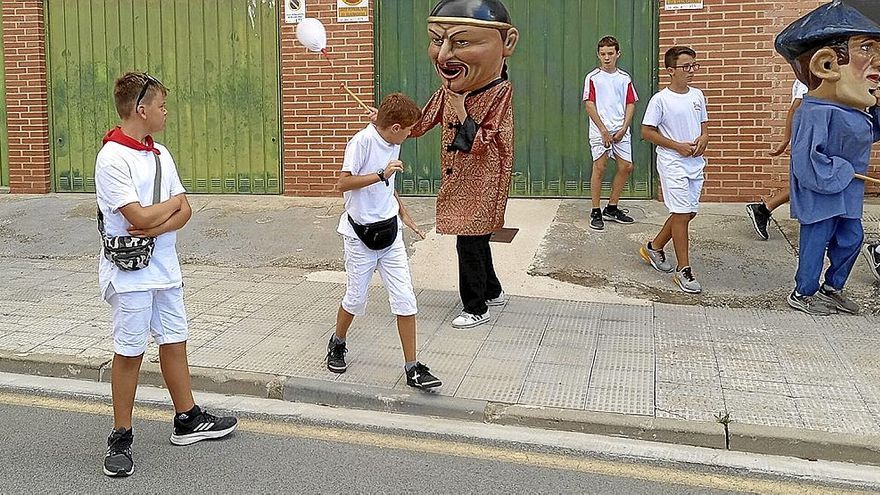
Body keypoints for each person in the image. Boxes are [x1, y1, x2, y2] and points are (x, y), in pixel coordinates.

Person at [95, 72, 236, 478]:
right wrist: (168, 210)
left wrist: (160, 223)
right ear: (141, 109)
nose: (165, 112)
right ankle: (121, 435)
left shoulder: (161, 154)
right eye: (160, 105)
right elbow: (133, 215)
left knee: (175, 340)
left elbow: (185, 210)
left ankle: (187, 418)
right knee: (130, 351)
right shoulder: (112, 158)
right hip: (131, 274)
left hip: (164, 268)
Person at [409, 0, 519, 329]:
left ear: (507, 43)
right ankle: (492, 290)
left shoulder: (499, 92)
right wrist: (389, 122)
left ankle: (475, 306)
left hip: (484, 181)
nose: (443, 56)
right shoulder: (449, 92)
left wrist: (458, 105)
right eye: (437, 40)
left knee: (469, 241)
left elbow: (481, 140)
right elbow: (419, 123)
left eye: (461, 42)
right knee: (477, 238)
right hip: (457, 180)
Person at [327, 92, 442, 389]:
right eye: (407, 130)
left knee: (405, 299)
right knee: (355, 299)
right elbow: (342, 183)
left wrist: (404, 213)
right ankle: (338, 342)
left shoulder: (391, 140)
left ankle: (412, 368)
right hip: (359, 235)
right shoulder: (361, 142)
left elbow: (388, 186)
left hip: (391, 234)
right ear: (393, 128)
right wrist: (380, 174)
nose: (410, 134)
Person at [775, 1, 880, 315]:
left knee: (852, 238)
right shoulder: (813, 113)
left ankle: (833, 288)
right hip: (821, 194)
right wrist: (843, 170)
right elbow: (807, 161)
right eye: (867, 49)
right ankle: (803, 292)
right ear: (826, 66)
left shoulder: (853, 111)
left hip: (847, 194)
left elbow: (870, 134)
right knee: (815, 243)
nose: (877, 63)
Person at [638, 46, 709, 294]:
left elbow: (704, 128)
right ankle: (684, 269)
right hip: (672, 162)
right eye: (686, 67)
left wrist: (703, 140)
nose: (691, 71)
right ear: (671, 71)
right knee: (680, 214)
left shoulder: (697, 96)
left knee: (688, 213)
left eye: (694, 66)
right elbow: (646, 132)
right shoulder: (661, 100)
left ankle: (654, 246)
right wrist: (676, 146)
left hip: (695, 163)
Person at [583, 35, 638, 231]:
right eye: (603, 54)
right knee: (600, 167)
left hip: (621, 130)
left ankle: (612, 207)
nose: (607, 57)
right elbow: (589, 105)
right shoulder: (593, 78)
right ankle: (596, 210)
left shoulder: (624, 78)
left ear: (618, 54)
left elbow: (630, 103)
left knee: (626, 167)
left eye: (610, 53)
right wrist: (603, 130)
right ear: (598, 55)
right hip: (600, 130)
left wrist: (624, 127)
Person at [745, 79, 808, 240]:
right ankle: (764, 209)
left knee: (807, 183)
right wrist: (787, 140)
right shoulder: (810, 75)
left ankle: (764, 209)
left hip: (812, 137)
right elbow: (795, 108)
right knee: (809, 182)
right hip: (809, 138)